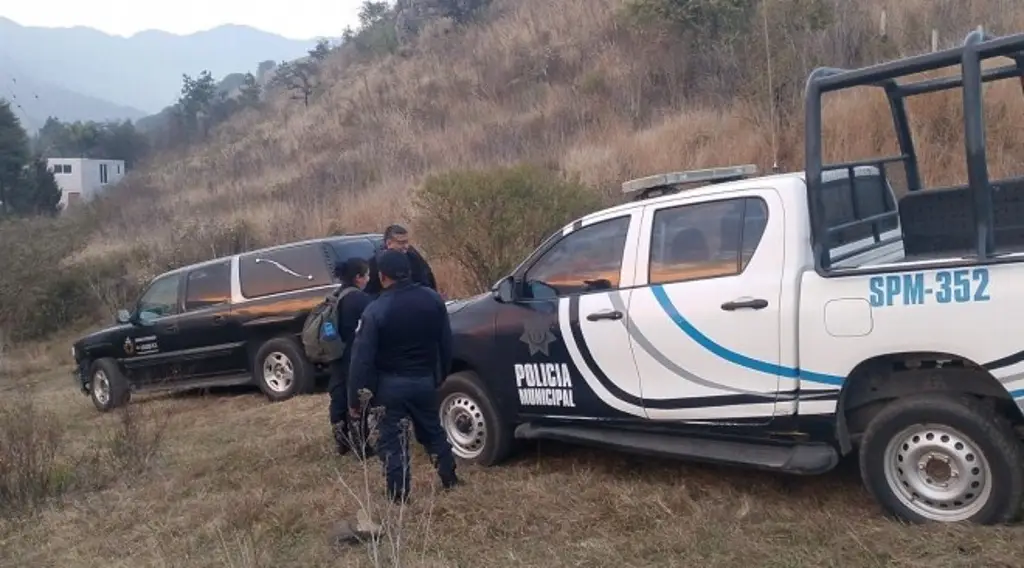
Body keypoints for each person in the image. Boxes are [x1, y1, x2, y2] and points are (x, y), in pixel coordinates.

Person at [347, 249, 458, 504]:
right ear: (408, 270)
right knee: (434, 431)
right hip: (424, 381)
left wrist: (355, 399)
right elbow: (446, 343)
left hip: (390, 386)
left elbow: (361, 360)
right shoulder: (433, 300)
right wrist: (440, 376)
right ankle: (449, 478)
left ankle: (399, 496)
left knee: (393, 442)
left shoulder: (376, 311)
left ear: (382, 276)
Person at [327, 257, 374, 459]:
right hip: (353, 355)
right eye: (367, 275)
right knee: (358, 397)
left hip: (336, 353)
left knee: (338, 396)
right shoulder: (360, 299)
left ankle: (341, 441)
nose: (369, 279)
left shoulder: (336, 295)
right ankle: (362, 445)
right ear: (358, 278)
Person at [363, 224, 438, 296]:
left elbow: (427, 278)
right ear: (389, 243)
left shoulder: (412, 256)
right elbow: (370, 293)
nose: (406, 246)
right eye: (401, 243)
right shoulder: (375, 263)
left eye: (406, 242)